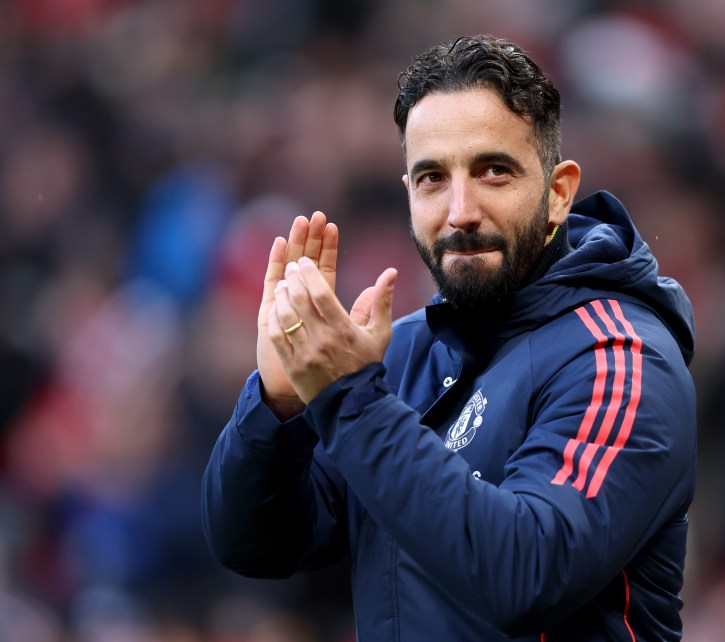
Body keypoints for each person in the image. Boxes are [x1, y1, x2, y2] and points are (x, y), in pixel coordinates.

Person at [202, 35, 696, 641]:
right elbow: (255, 545)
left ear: (558, 193)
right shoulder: (400, 355)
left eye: (493, 171)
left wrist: (350, 398)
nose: (460, 210)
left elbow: (525, 575)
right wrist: (277, 407)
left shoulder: (621, 360)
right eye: (433, 178)